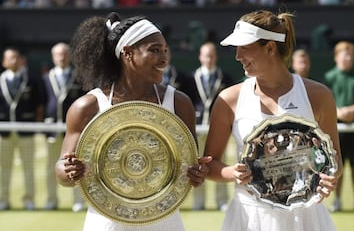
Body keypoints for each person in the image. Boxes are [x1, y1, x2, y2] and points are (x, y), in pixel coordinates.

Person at [54, 12, 211, 231]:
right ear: (128, 53)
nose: (164, 58)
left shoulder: (179, 103)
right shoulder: (86, 107)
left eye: (165, 50)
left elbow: (190, 164)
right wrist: (69, 170)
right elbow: (62, 171)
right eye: (154, 50)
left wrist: (197, 174)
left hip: (165, 221)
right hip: (106, 222)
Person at [203, 10, 343, 231]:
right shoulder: (228, 99)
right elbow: (209, 165)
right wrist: (234, 173)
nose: (238, 56)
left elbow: (334, 161)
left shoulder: (319, 95)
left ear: (269, 48)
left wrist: (327, 178)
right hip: (248, 217)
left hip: (306, 217)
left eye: (244, 48)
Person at [323, 41, 354, 213]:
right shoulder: (329, 77)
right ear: (336, 57)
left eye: (350, 55)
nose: (348, 58)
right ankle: (337, 200)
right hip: (336, 127)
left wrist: (352, 110)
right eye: (344, 54)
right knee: (337, 165)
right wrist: (339, 112)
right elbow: (324, 101)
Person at [188, 41, 235, 211]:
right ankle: (198, 202)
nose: (209, 58)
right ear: (200, 57)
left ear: (216, 56)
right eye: (206, 55)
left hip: (216, 126)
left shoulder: (225, 77)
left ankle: (221, 201)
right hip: (198, 126)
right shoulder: (191, 78)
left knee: (219, 163)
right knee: (197, 165)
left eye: (212, 55)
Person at [42, 42, 87, 211]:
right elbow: (43, 102)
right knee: (51, 166)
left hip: (74, 131)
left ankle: (78, 201)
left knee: (75, 165)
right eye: (58, 54)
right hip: (52, 130)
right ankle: (51, 200)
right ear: (53, 57)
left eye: (64, 54)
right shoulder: (46, 77)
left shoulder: (79, 77)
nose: (62, 57)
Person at [0, 47, 45, 210]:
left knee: (28, 167)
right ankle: (3, 200)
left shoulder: (31, 79)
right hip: (4, 132)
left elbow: (39, 103)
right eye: (9, 58)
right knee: (3, 168)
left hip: (26, 130)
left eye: (16, 57)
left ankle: (29, 200)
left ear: (20, 60)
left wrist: (37, 122)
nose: (13, 61)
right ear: (4, 62)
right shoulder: (1, 79)